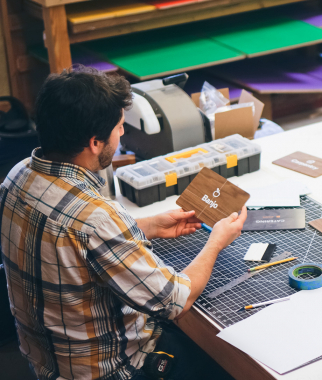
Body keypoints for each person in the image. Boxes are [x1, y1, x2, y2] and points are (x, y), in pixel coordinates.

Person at [0, 66, 247, 380]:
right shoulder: (97, 218)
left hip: (46, 363)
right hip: (111, 371)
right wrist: (217, 242)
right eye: (119, 128)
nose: (121, 135)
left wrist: (146, 225)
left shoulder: (17, 176)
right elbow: (175, 300)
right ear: (94, 142)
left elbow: (70, 242)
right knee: (227, 361)